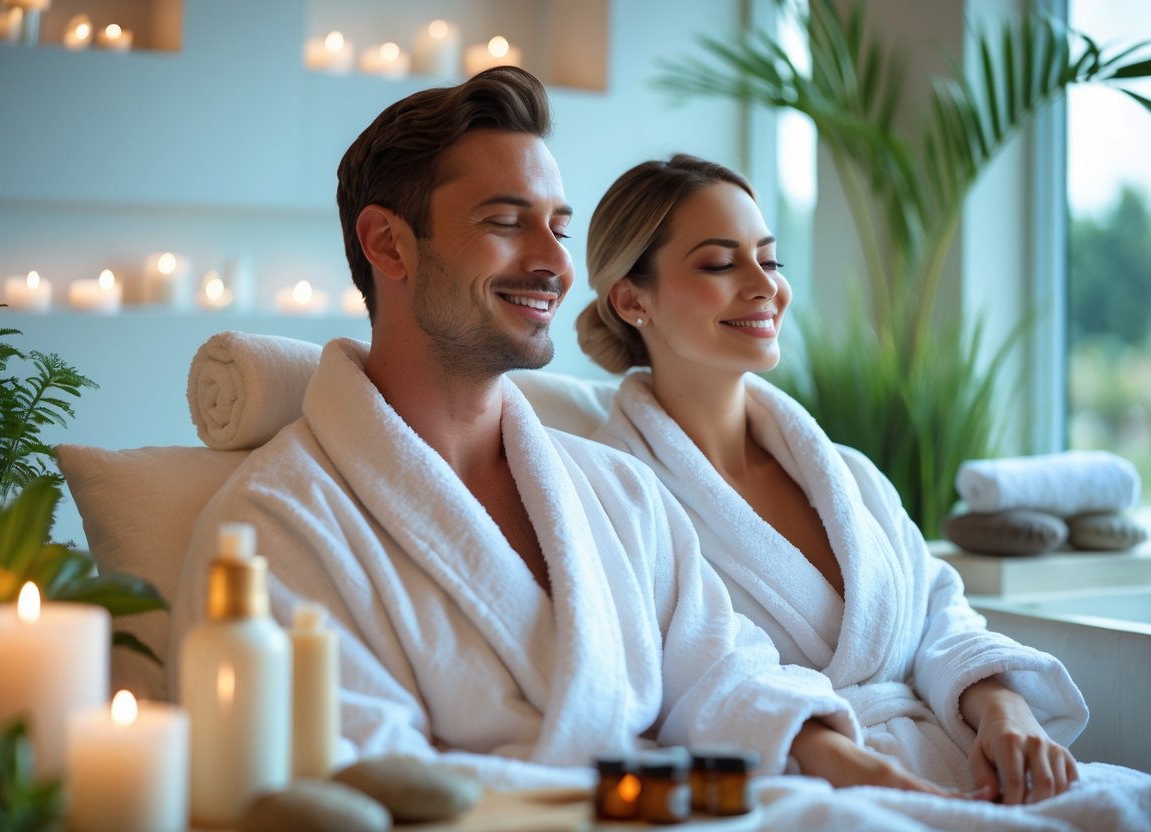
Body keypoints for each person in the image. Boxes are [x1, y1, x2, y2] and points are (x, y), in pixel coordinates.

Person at [167, 70, 865, 790]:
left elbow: (725, 674)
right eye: (506, 223)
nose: (556, 263)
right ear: (388, 244)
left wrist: (863, 769)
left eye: (559, 228)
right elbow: (368, 789)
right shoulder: (276, 529)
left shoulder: (617, 492)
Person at [575, 154, 1151, 812]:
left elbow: (939, 614)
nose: (765, 286)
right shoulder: (614, 492)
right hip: (804, 789)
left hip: (963, 760)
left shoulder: (846, 474)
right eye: (719, 264)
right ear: (631, 298)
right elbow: (699, 677)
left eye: (770, 259)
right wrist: (872, 777)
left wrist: (1005, 711)